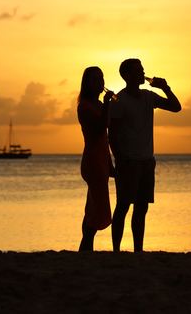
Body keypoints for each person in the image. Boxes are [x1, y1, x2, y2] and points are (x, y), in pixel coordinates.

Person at [108, 58, 181, 252]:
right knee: (123, 206)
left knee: (141, 208)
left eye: (142, 70)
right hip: (128, 162)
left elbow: (176, 107)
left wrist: (166, 88)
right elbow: (112, 135)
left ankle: (138, 251)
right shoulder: (119, 101)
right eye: (138, 71)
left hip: (147, 162)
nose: (143, 73)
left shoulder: (149, 96)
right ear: (127, 76)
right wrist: (120, 159)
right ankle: (116, 251)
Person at [76, 66, 114, 251]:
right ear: (88, 84)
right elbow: (100, 129)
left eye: (102, 78)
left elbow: (105, 138)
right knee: (96, 206)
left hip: (101, 159)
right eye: (96, 79)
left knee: (93, 204)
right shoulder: (84, 106)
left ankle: (86, 248)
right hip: (92, 161)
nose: (101, 82)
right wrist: (108, 104)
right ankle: (86, 246)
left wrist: (110, 163)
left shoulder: (98, 105)